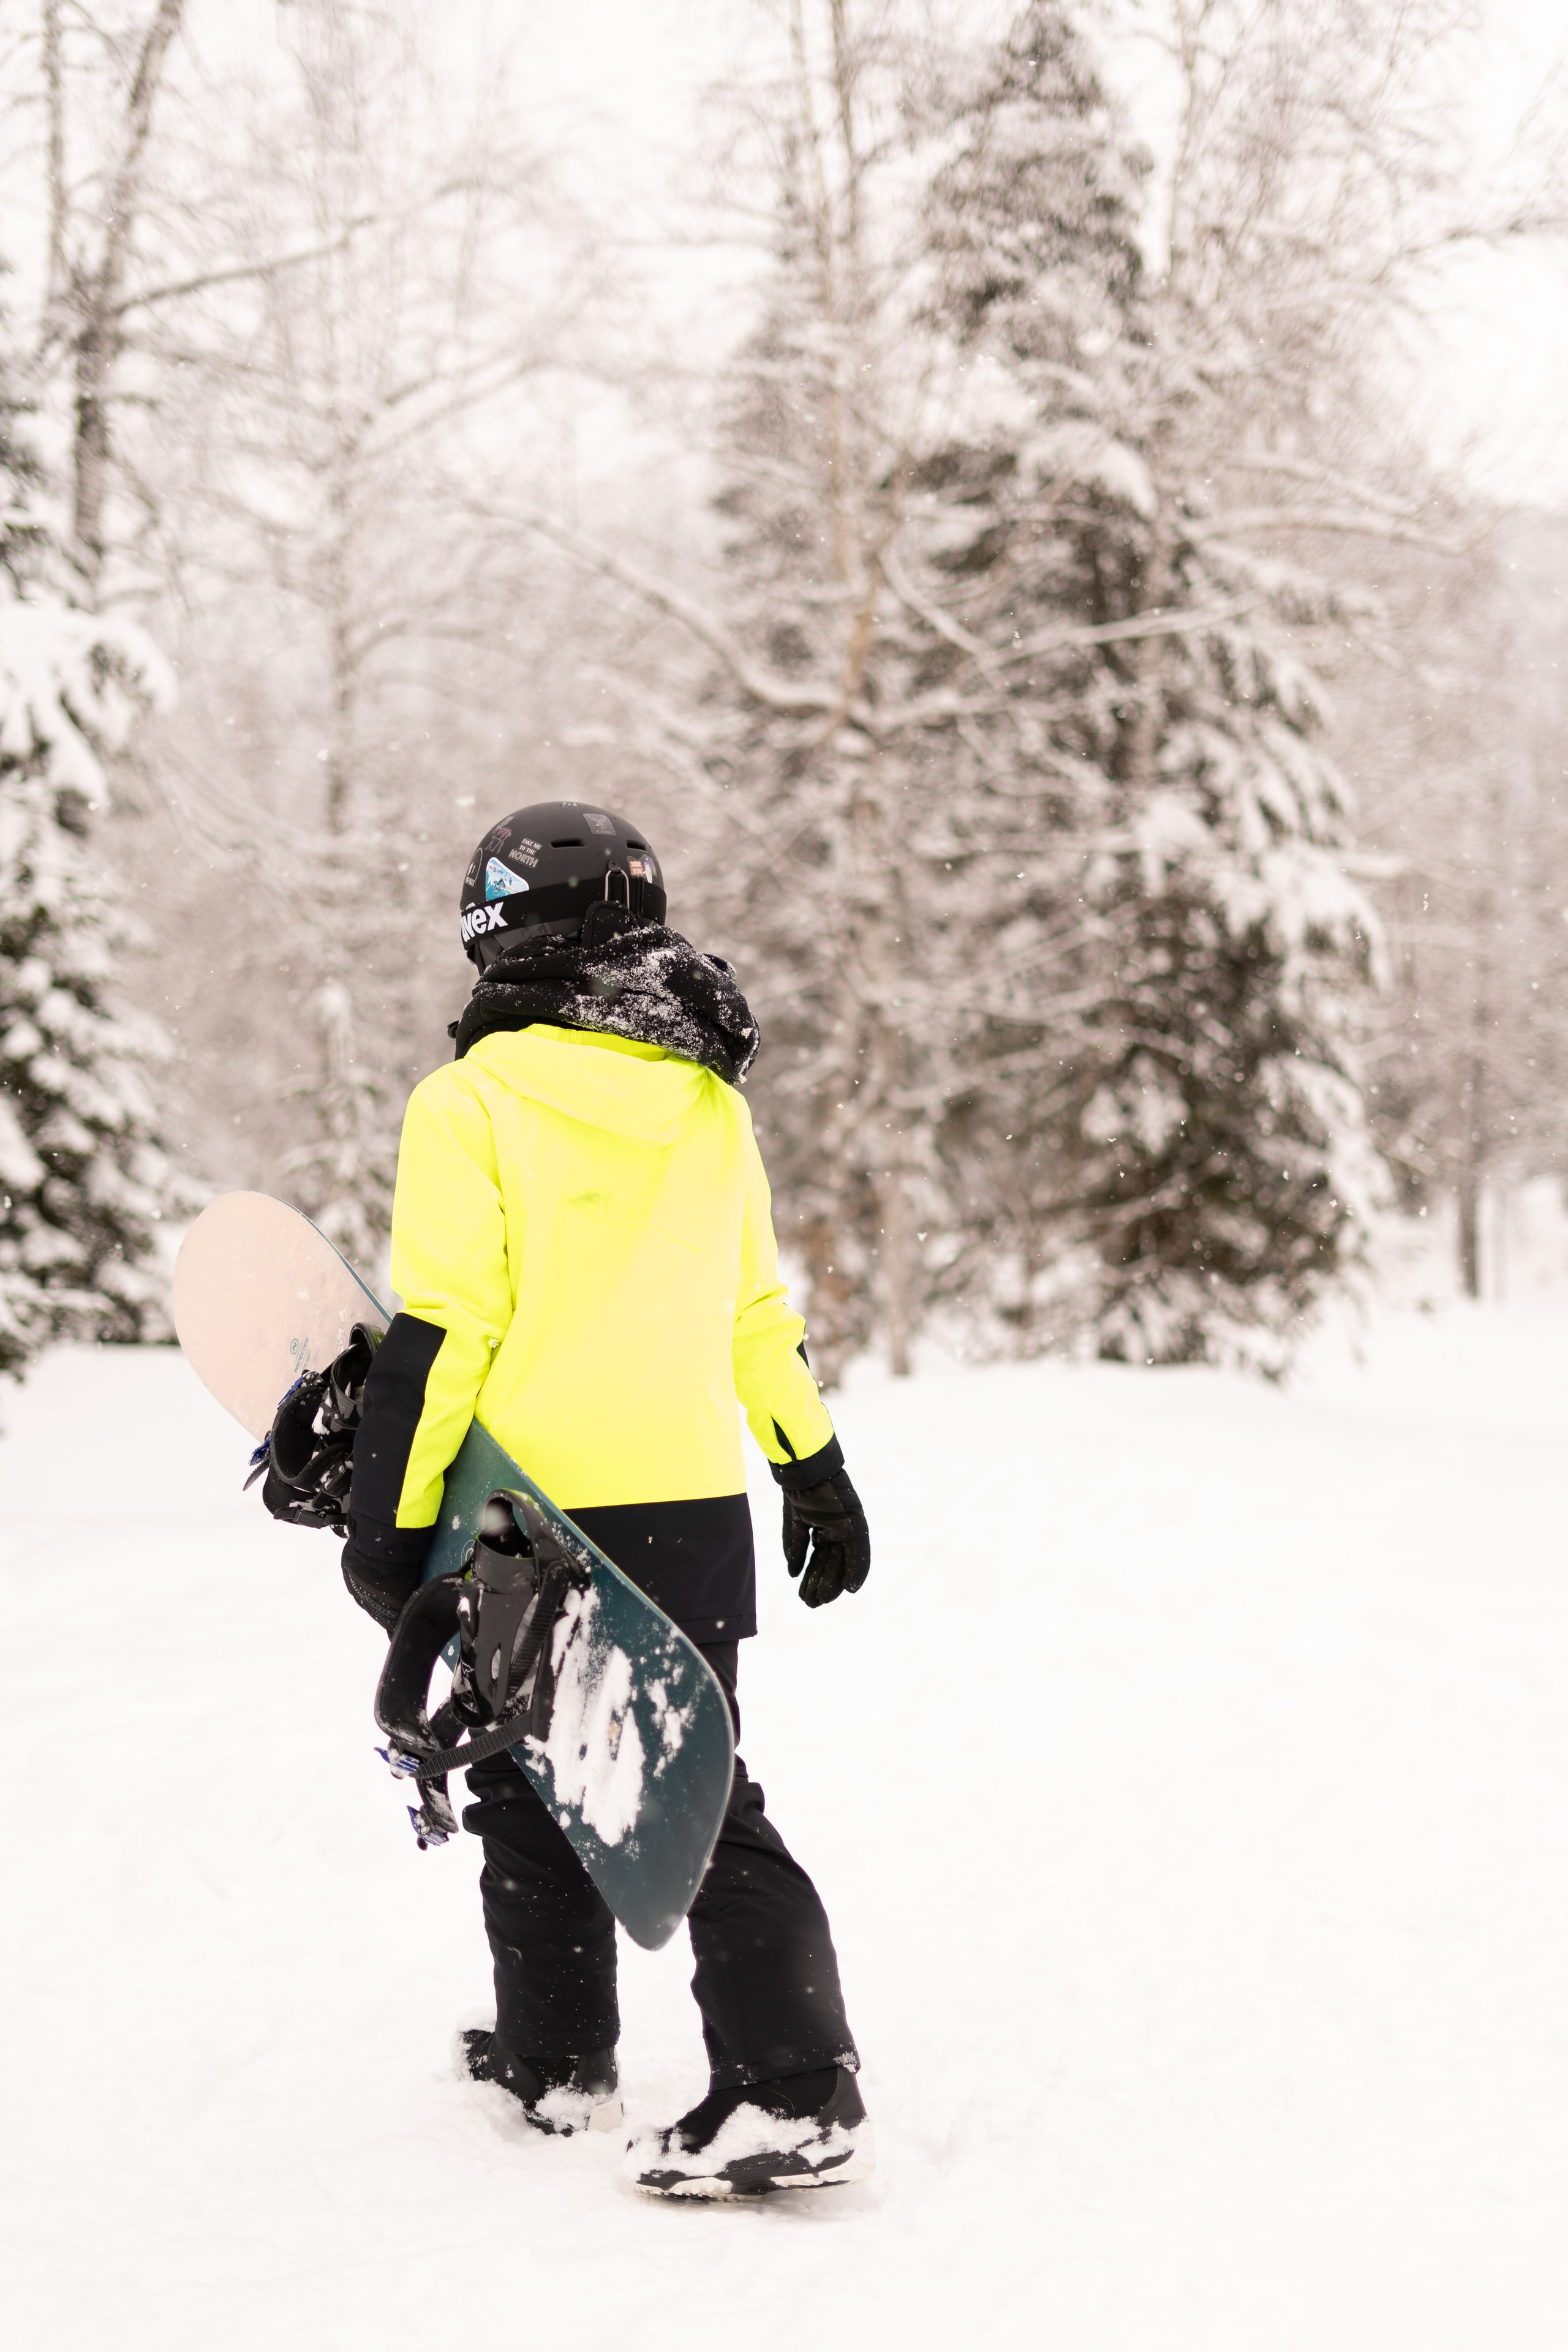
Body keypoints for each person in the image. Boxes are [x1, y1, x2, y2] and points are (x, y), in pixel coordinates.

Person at [337, 802, 873, 2198]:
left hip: (529, 1511)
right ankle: (553, 2062)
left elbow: (444, 1329)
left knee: (598, 1792)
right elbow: (755, 1313)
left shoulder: (469, 1105)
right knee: (646, 1785)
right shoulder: (706, 1102)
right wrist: (808, 1464)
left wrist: (388, 1526)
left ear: (499, 927)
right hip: (689, 1502)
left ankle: (790, 2092)